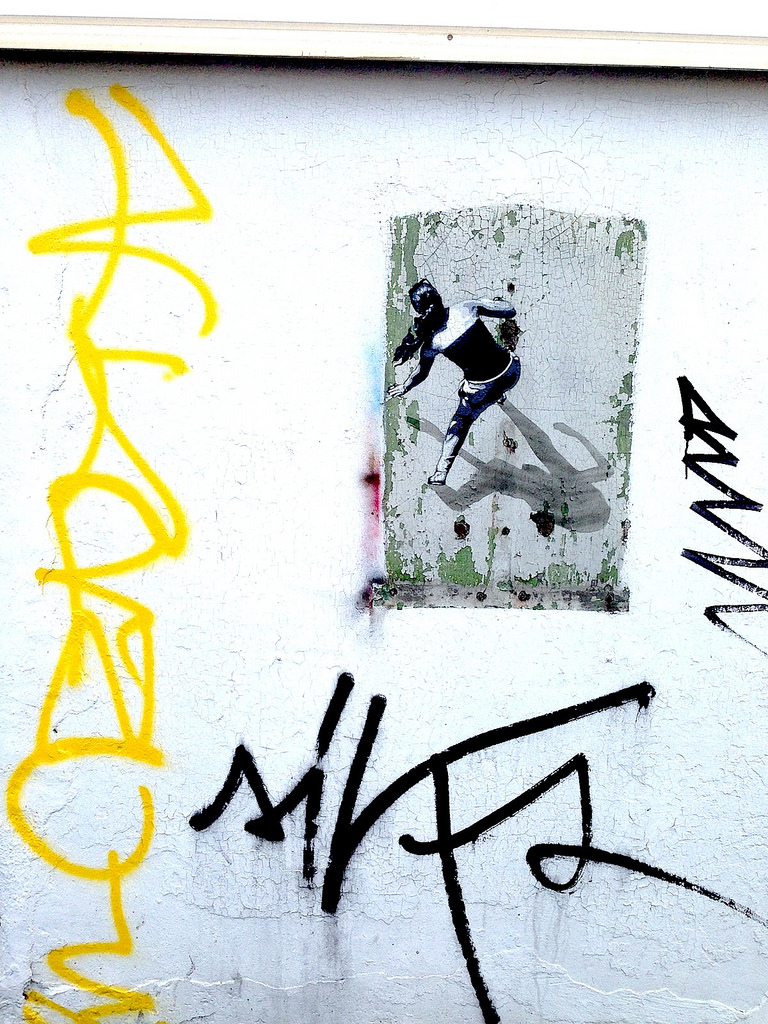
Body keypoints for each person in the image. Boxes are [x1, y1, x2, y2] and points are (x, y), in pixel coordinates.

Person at [386, 280, 520, 484]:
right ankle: (497, 395)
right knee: (478, 383)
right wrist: (495, 301)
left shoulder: (432, 342)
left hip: (480, 391)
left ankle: (441, 472)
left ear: (420, 311)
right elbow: (509, 310)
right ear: (438, 297)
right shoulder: (466, 307)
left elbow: (421, 374)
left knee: (460, 422)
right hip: (511, 372)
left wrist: (404, 387)